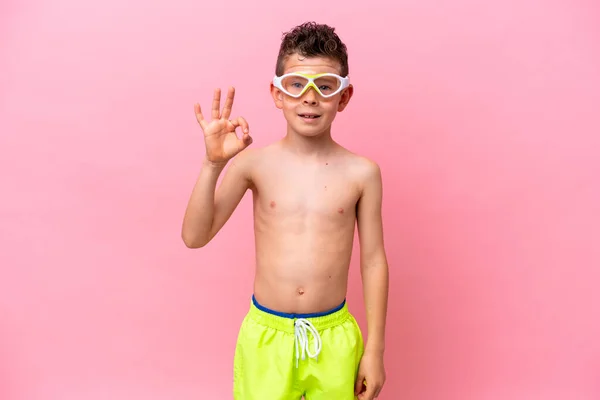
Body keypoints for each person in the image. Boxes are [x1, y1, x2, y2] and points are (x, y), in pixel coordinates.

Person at [181, 21, 389, 400]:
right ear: (277, 94)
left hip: (335, 339)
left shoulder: (363, 173)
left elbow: (373, 261)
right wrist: (213, 165)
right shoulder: (253, 165)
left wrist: (374, 350)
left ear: (343, 97)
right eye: (296, 85)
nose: (310, 97)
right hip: (266, 338)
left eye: (325, 86)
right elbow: (194, 237)